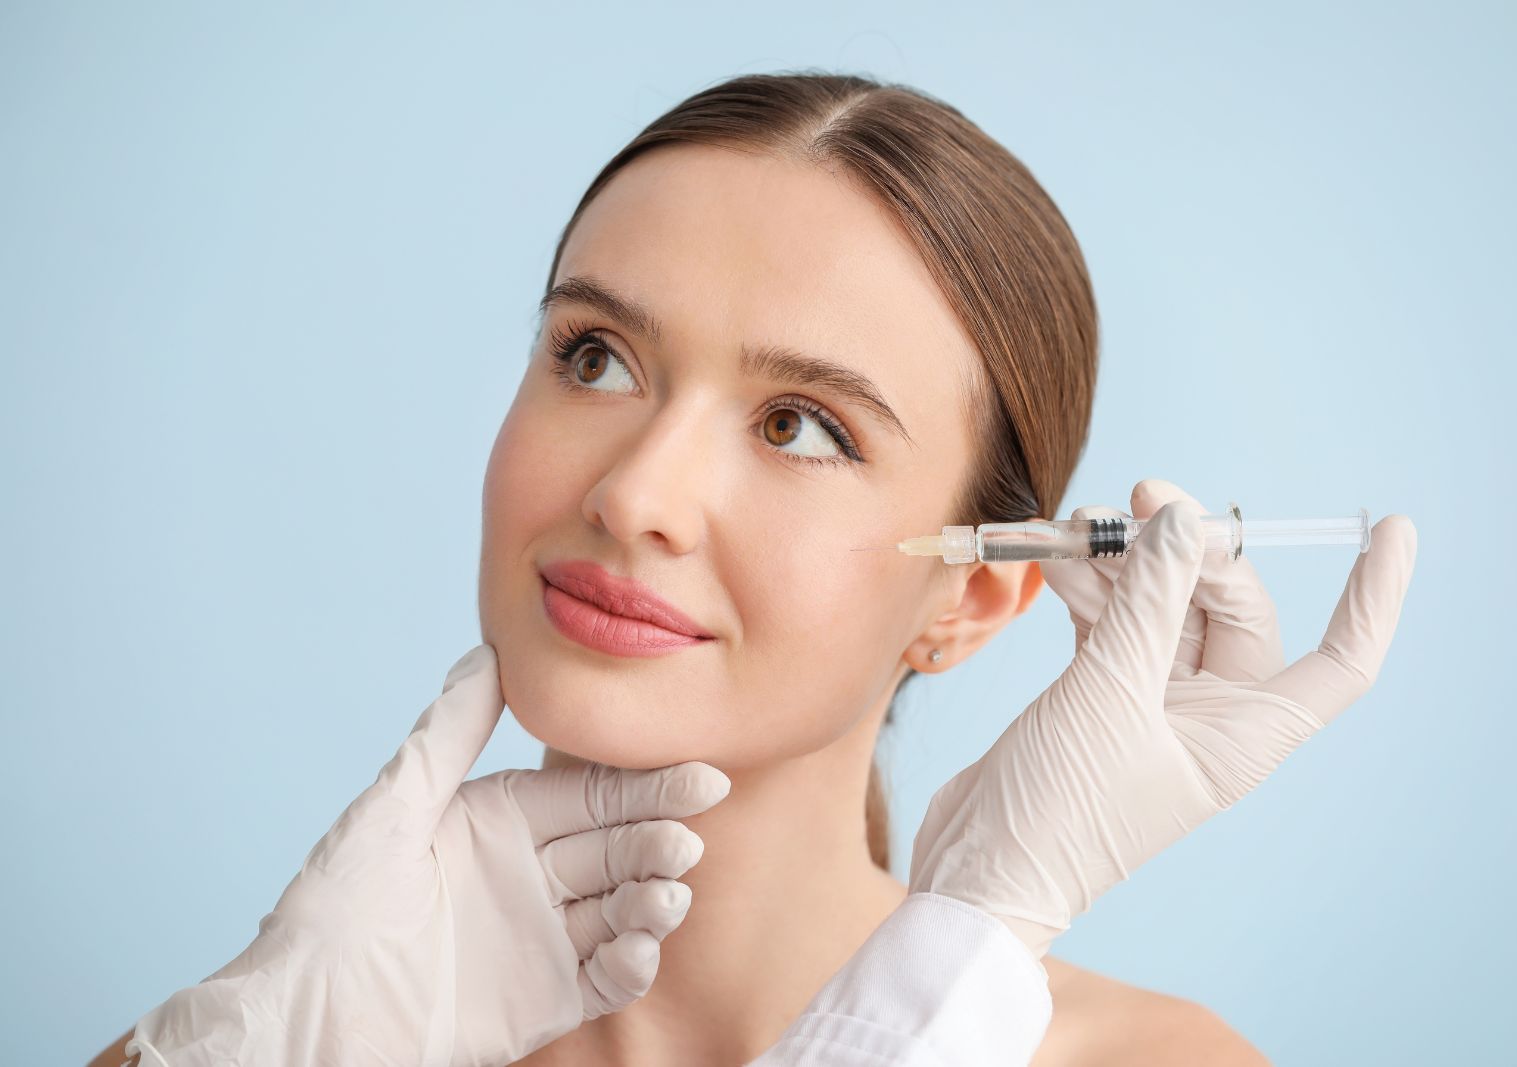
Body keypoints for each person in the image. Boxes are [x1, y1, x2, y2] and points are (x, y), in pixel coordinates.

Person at [91, 70, 1419, 1065]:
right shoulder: (306, 1017)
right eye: (595, 356)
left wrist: (968, 943)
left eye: (801, 428)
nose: (634, 493)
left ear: (972, 592)